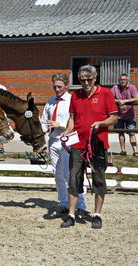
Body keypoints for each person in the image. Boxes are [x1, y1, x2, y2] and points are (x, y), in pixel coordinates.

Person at [60, 65, 118, 229]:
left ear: (95, 78)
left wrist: (101, 123)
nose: (85, 83)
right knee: (74, 178)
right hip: (78, 143)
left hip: (98, 143)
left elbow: (113, 118)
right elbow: (72, 118)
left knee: (98, 179)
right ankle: (71, 214)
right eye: (82, 80)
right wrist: (66, 131)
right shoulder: (75, 96)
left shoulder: (106, 93)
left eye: (89, 79)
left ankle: (97, 215)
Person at [41, 73, 86, 217]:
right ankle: (63, 202)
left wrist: (59, 125)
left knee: (70, 174)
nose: (57, 89)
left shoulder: (73, 100)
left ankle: (80, 204)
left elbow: (76, 121)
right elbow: (44, 122)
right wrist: (44, 141)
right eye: (54, 86)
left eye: (59, 87)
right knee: (58, 174)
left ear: (66, 86)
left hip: (67, 140)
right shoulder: (50, 102)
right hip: (53, 140)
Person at [111, 74, 138, 156]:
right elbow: (110, 98)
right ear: (119, 80)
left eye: (124, 79)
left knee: (132, 133)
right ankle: (123, 151)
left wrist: (125, 101)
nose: (122, 81)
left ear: (127, 80)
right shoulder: (115, 88)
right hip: (119, 115)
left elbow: (137, 98)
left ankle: (135, 151)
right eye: (121, 79)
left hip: (129, 114)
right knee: (121, 133)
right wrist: (118, 101)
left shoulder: (132, 87)